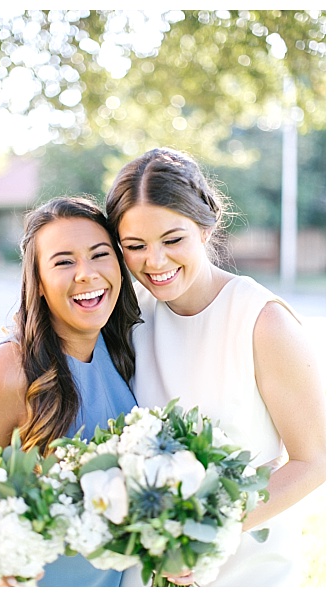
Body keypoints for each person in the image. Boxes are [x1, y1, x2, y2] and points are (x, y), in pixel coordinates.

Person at [105, 147, 326, 587]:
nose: (155, 261)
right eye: (135, 246)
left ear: (205, 227)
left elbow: (314, 461)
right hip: (149, 569)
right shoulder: (129, 317)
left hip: (246, 568)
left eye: (172, 240)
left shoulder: (263, 322)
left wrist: (201, 535)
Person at [0, 196, 142, 587]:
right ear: (40, 284)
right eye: (64, 262)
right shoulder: (10, 371)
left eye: (99, 255)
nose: (86, 274)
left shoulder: (119, 352)